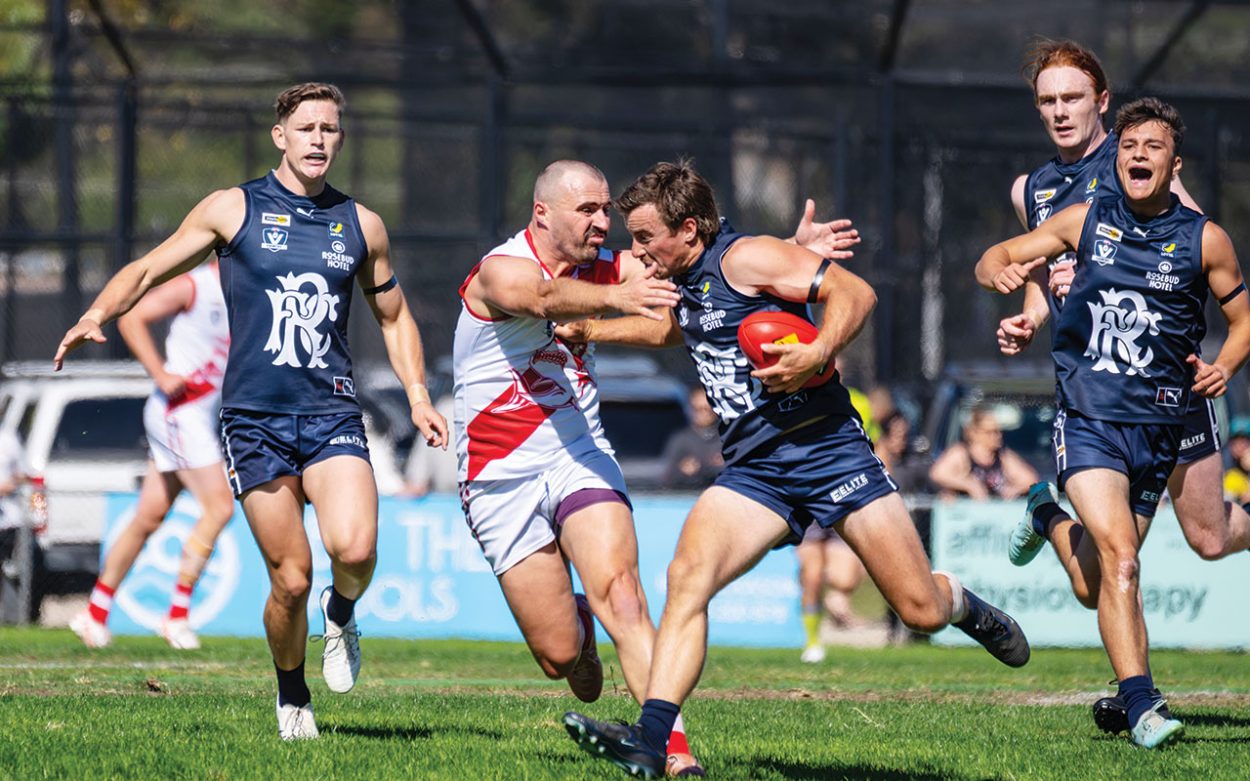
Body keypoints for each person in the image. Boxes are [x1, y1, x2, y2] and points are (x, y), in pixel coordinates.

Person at [561, 160, 1029, 779]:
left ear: (691, 228)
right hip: (756, 469)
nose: (635, 251)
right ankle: (654, 740)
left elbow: (856, 294)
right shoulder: (689, 279)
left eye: (645, 237)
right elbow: (680, 328)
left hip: (829, 450)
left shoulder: (748, 258)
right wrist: (593, 328)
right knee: (686, 577)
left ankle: (962, 603)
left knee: (920, 610)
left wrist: (816, 351)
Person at [53, 82, 448, 741]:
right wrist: (97, 312)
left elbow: (395, 313)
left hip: (332, 414)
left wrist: (418, 395)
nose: (320, 138)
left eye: (331, 128)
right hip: (254, 421)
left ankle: (342, 611)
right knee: (290, 580)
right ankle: (292, 695)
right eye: (307, 127)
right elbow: (148, 269)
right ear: (280, 137)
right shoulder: (231, 209)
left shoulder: (361, 224)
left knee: (355, 546)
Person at [455, 159, 856, 778]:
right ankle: (579, 636)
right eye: (586, 211)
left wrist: (787, 258)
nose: (601, 222)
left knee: (626, 593)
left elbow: (700, 271)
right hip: (497, 472)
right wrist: (615, 297)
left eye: (603, 209)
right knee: (559, 656)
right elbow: (537, 297)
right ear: (542, 213)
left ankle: (669, 752)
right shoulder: (500, 268)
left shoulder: (615, 264)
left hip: (578, 454)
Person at [975, 98, 1250, 747]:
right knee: (1125, 562)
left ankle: (1047, 515)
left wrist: (1225, 365)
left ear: (1173, 163)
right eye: (1129, 146)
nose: (1138, 156)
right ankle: (1142, 703)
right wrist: (998, 271)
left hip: (1159, 426)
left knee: (1094, 579)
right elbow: (999, 254)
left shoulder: (1204, 238)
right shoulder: (1084, 218)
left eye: (1153, 147)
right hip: (1091, 416)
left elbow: (1242, 321)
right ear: (1117, 157)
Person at [69, 259, 235, 651]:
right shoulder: (195, 286)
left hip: (197, 416)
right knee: (220, 507)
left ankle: (94, 613)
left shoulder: (248, 291)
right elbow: (132, 318)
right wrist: (160, 374)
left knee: (149, 516)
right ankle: (176, 616)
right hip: (180, 413)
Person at [928, 406, 1038, 500]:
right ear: (974, 432)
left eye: (999, 431)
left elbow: (1031, 479)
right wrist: (969, 485)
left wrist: (1013, 490)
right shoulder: (961, 453)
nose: (997, 436)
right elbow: (938, 474)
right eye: (990, 432)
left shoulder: (1003, 456)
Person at [795, 522, 867, 663]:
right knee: (812, 579)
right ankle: (813, 643)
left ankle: (836, 597)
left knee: (844, 580)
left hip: (840, 509)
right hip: (809, 514)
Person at [660, 387, 723, 490]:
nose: (702, 414)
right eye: (697, 409)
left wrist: (719, 467)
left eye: (706, 409)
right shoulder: (680, 439)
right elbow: (667, 477)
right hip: (686, 498)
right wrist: (683, 471)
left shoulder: (726, 439)